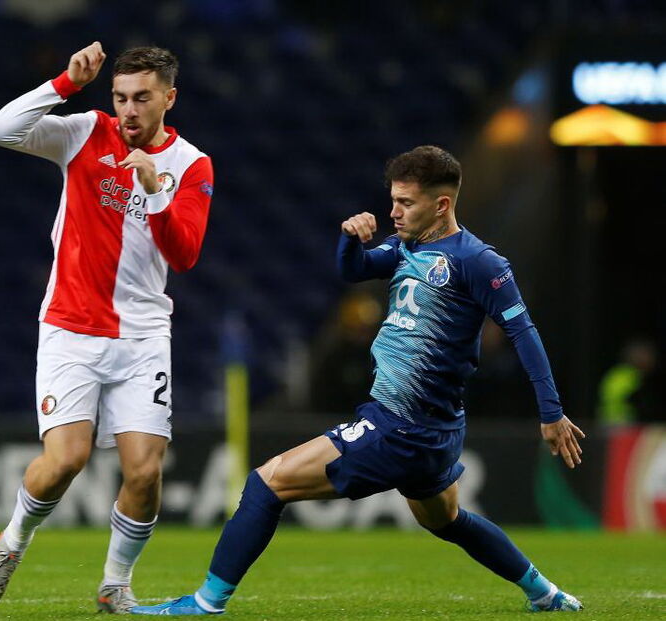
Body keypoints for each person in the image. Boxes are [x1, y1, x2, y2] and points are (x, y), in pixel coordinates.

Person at [132, 146, 583, 615]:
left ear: (442, 205)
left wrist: (551, 414)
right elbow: (354, 269)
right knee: (446, 519)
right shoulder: (410, 244)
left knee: (267, 484)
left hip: (401, 426)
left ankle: (206, 602)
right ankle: (544, 592)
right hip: (435, 429)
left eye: (405, 203)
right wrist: (350, 237)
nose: (394, 212)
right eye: (393, 200)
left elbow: (523, 332)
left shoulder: (479, 262)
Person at [0, 42, 214, 614]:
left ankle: (114, 587)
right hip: (71, 327)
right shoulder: (84, 132)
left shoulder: (192, 165)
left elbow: (184, 256)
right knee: (65, 460)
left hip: (143, 336)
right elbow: (0, 130)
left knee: (146, 470)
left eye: (142, 98)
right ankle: (12, 543)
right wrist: (64, 83)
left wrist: (155, 189)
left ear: (169, 99)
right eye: (121, 97)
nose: (128, 110)